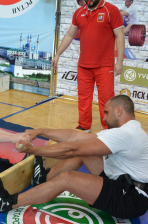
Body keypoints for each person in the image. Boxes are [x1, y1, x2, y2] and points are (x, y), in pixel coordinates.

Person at [0, 95, 148, 219]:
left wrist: (34, 150)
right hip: (126, 186)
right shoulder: (128, 131)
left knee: (67, 179)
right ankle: (43, 179)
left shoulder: (125, 134)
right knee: (86, 150)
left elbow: (72, 149)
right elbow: (75, 137)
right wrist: (40, 131)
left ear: (119, 111)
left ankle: (8, 202)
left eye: (107, 112)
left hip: (131, 200)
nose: (104, 117)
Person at [52, 0, 125, 132]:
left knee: (107, 99)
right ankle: (84, 126)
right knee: (83, 98)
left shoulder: (110, 10)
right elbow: (69, 35)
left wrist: (119, 61)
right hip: (84, 66)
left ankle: (109, 128)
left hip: (104, 66)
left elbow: (120, 35)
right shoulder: (79, 12)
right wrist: (57, 54)